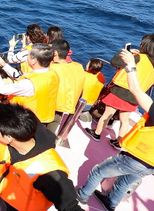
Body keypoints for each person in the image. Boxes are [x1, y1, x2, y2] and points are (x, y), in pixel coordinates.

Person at [0, 103, 83, 211]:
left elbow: (71, 207)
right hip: (6, 192)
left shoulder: (51, 173)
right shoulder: (11, 132)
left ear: (9, 138)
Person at [77, 49, 154, 211]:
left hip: (138, 154)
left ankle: (82, 196)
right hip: (150, 165)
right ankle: (110, 203)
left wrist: (131, 62)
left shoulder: (138, 57)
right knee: (126, 181)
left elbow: (135, 87)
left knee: (98, 171)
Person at [84, 34, 154, 149]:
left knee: (107, 115)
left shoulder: (137, 57)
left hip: (120, 91)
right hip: (135, 96)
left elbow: (115, 62)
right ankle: (119, 142)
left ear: (145, 46)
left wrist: (129, 52)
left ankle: (96, 134)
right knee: (124, 120)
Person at [0, 43, 60, 125]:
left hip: (27, 123)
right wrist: (4, 65)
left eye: (28, 55)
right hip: (45, 117)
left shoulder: (28, 83)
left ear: (34, 61)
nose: (27, 57)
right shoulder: (53, 74)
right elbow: (21, 76)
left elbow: (3, 90)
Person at [48, 39, 86, 134]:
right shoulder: (78, 67)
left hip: (49, 106)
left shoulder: (51, 69)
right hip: (64, 107)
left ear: (55, 53)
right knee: (50, 131)